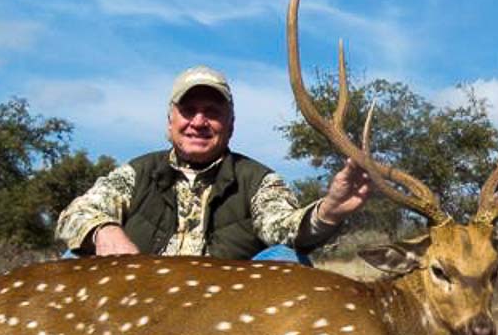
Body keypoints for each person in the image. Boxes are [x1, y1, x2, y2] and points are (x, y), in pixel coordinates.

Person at [56, 65, 370, 261]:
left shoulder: (258, 180)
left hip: (223, 321)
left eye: (212, 112)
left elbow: (281, 228)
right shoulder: (137, 173)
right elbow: (75, 213)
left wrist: (328, 212)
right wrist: (104, 230)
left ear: (230, 125)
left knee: (285, 260)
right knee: (74, 258)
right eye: (188, 110)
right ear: (170, 123)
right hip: (137, 305)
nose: (199, 121)